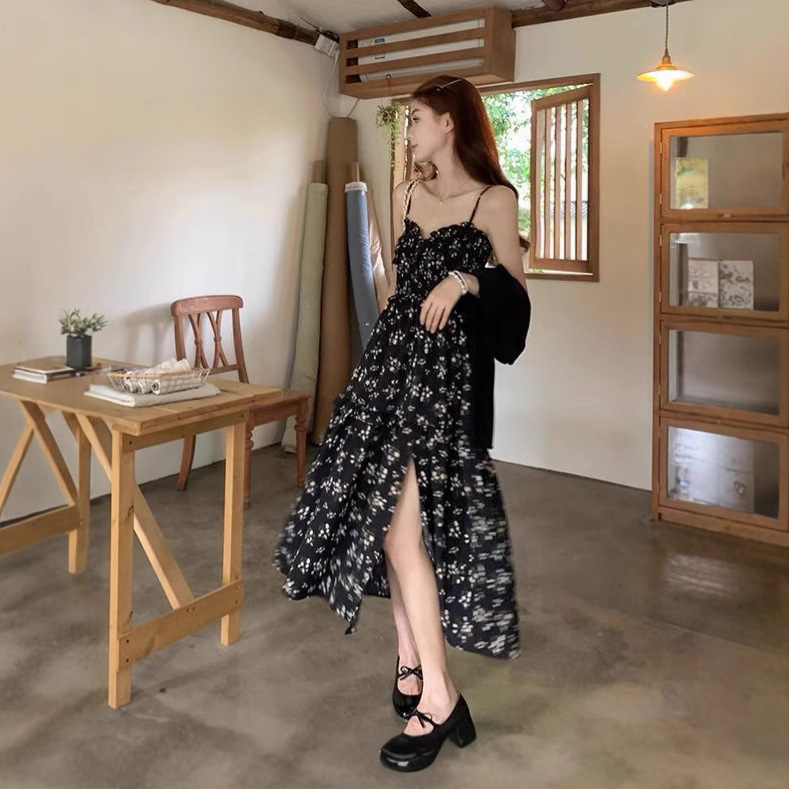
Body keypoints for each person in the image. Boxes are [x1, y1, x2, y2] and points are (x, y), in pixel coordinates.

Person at [274, 74, 530, 773]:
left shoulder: (494, 200)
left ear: (449, 123)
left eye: (415, 118)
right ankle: (412, 660)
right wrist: (370, 377)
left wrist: (465, 280)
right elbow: (390, 290)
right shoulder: (403, 193)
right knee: (387, 528)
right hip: (390, 374)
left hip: (447, 388)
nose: (408, 130)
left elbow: (515, 301)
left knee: (399, 533)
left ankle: (439, 698)